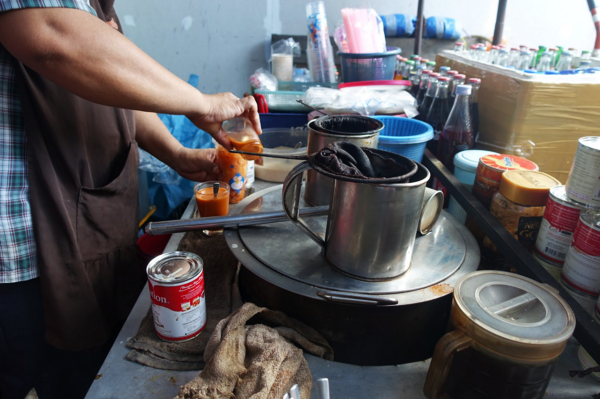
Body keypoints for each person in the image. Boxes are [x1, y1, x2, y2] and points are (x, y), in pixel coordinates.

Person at [0, 1, 261, 398]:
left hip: (84, 225)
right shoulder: (53, 20)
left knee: (79, 374)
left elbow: (111, 81)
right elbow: (54, 38)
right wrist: (200, 102)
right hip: (18, 246)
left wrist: (177, 153)